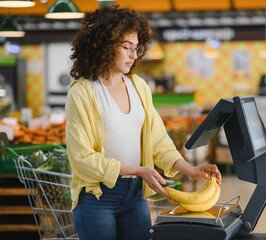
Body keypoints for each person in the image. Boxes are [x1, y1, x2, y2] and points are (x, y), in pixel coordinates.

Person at [65, 5, 222, 240]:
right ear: (104, 46)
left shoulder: (139, 87)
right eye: (126, 47)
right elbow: (82, 159)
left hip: (135, 196)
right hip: (97, 199)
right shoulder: (82, 93)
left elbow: (158, 140)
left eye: (136, 48)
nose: (134, 55)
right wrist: (138, 169)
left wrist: (189, 169)